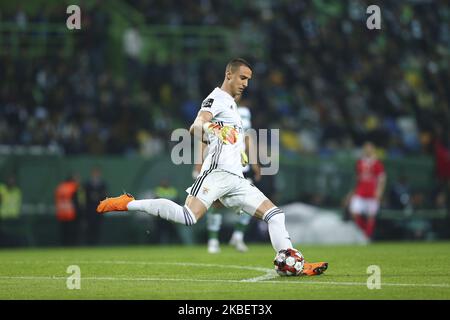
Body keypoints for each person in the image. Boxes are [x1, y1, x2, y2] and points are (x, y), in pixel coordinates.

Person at [97, 58, 327, 276]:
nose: (246, 84)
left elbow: (221, 139)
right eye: (243, 78)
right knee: (188, 217)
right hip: (216, 174)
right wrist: (213, 130)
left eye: (248, 80)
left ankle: (294, 263)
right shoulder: (216, 98)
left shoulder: (232, 105)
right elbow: (195, 127)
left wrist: (240, 154)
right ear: (229, 74)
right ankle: (129, 203)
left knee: (276, 216)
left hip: (236, 178)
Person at [193, 98, 261, 253]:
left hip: (240, 167)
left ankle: (238, 236)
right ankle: (213, 240)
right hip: (221, 164)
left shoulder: (243, 112)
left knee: (251, 202)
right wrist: (199, 163)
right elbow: (205, 138)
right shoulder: (217, 109)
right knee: (216, 203)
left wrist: (255, 163)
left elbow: (247, 138)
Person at [348, 141, 386, 240]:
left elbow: (382, 178)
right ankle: (363, 232)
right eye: (366, 148)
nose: (368, 149)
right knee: (354, 212)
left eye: (370, 147)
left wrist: (379, 191)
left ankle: (367, 237)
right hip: (360, 192)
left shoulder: (377, 163)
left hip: (372, 193)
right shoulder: (360, 162)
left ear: (373, 149)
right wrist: (352, 192)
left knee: (371, 216)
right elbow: (358, 178)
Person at [83, 166, 108, 245]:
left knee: (98, 227)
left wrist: (98, 196)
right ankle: (89, 243)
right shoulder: (87, 184)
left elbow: (105, 195)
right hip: (90, 209)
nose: (96, 174)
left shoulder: (103, 184)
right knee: (89, 227)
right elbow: (84, 196)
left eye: (97, 173)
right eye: (94, 172)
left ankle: (97, 244)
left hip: (100, 209)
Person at [55, 174, 81, 246]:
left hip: (61, 213)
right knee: (72, 233)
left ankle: (63, 246)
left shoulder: (60, 187)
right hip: (71, 213)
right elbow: (77, 201)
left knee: (63, 233)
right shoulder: (73, 187)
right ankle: (72, 246)